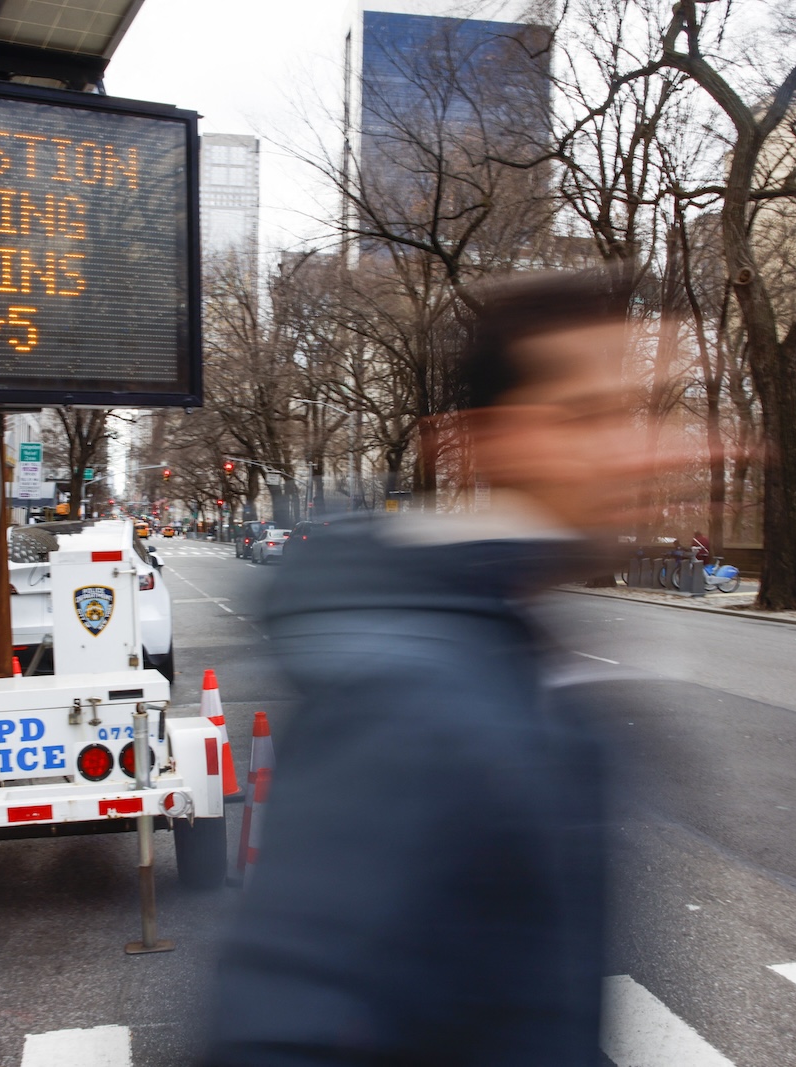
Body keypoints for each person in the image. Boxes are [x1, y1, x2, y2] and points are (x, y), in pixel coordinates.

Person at [204, 271, 662, 1067]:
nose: (634, 451)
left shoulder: (512, 654)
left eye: (639, 414)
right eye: (589, 416)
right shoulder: (411, 695)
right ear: (485, 438)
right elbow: (282, 1030)